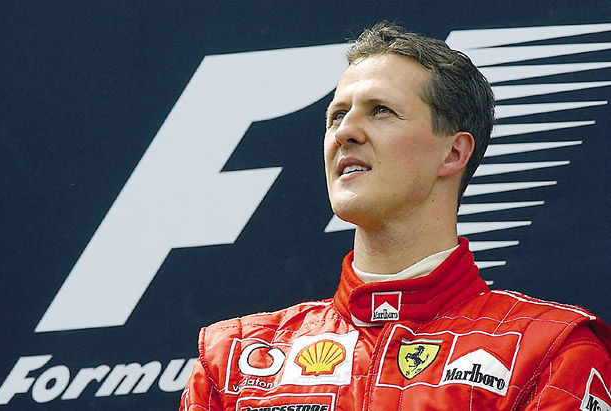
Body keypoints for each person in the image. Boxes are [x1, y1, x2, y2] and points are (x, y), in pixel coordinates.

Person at [180, 22, 611, 410]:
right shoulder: (232, 362)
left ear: (453, 153)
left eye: (380, 111)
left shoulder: (549, 351)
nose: (345, 132)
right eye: (337, 115)